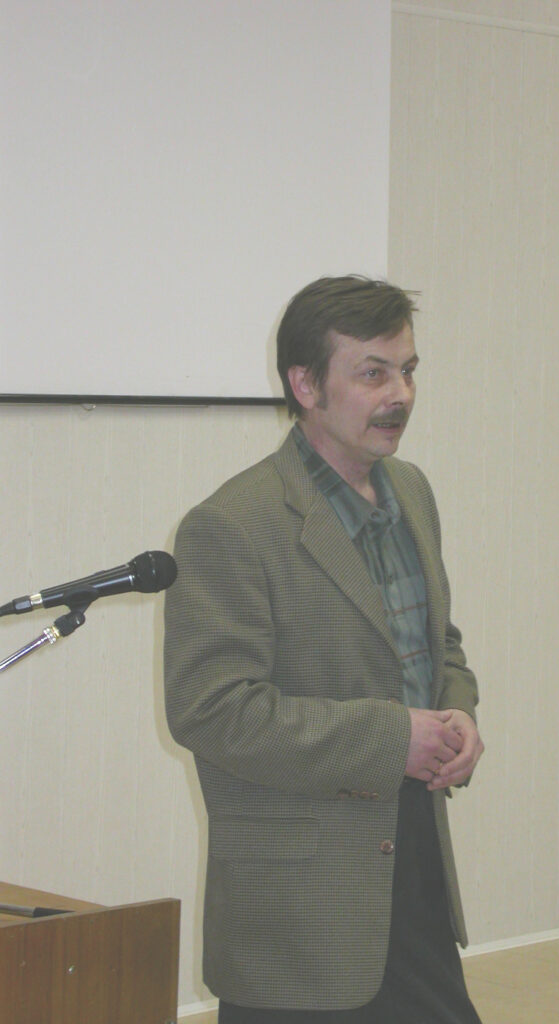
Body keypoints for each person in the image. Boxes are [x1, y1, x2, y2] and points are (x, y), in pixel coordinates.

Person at [164, 275, 485, 1022]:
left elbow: (438, 641)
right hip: (298, 914)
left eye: (408, 370)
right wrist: (394, 737)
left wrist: (458, 714)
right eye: (373, 373)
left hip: (412, 867)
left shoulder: (412, 492)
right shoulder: (232, 525)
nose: (400, 394)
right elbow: (212, 711)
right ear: (305, 384)